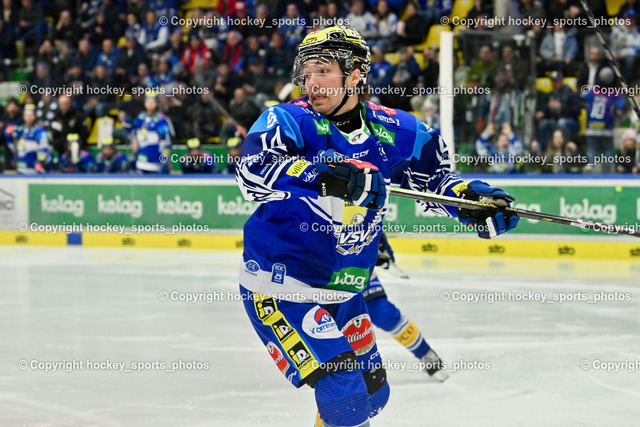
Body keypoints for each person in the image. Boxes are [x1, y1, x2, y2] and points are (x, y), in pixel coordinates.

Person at [236, 26, 520, 427]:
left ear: (355, 74)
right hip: (282, 285)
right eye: (306, 71)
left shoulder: (400, 131)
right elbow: (252, 173)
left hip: (345, 289)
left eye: (323, 70)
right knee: (346, 393)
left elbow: (436, 183)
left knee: (372, 395)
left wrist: (470, 202)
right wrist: (323, 175)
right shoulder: (286, 120)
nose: (311, 82)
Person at [366, 233, 448, 381]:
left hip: (357, 270)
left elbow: (373, 227)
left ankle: (426, 355)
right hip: (326, 271)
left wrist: (376, 246)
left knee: (385, 315)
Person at [130, 92, 174, 174]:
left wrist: (164, 159)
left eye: (153, 102)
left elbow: (166, 141)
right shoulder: (140, 117)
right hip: (140, 160)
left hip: (155, 161)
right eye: (148, 101)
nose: (150, 104)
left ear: (157, 103)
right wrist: (134, 143)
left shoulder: (161, 120)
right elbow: (133, 132)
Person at [6, 104, 52, 174]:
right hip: (21, 165)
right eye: (26, 115)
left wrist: (40, 162)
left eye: (30, 115)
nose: (28, 117)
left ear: (35, 116)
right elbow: (12, 145)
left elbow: (44, 147)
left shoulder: (39, 131)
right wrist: (8, 134)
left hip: (34, 167)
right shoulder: (20, 130)